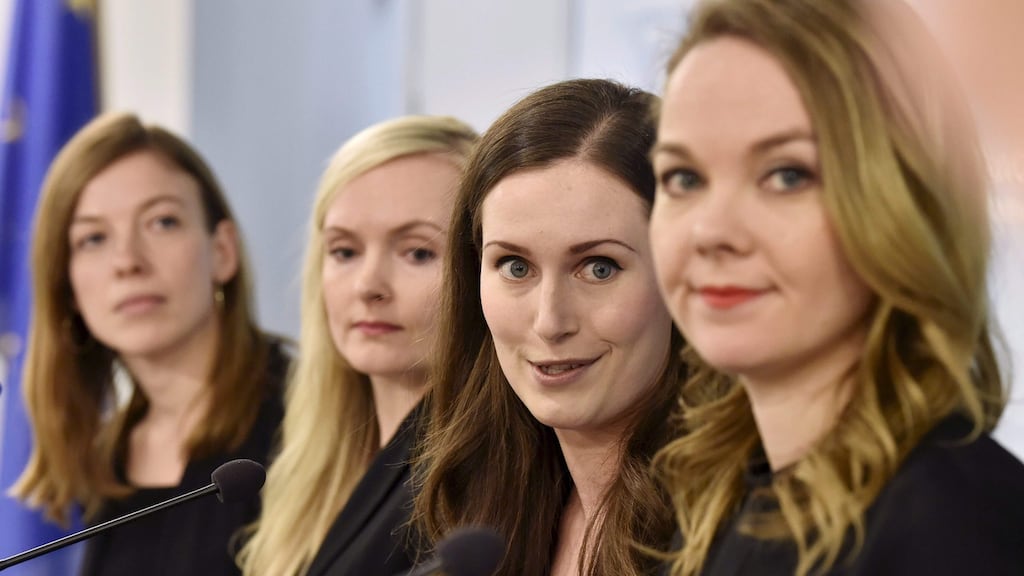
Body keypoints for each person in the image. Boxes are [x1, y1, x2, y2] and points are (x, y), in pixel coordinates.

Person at [648, 1, 1024, 574]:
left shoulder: (957, 523)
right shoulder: (717, 503)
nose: (711, 232)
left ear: (905, 201)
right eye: (684, 178)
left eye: (787, 175)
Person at [413, 78, 686, 576]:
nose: (549, 321)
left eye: (599, 267)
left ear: (682, 273)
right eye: (516, 267)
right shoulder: (490, 512)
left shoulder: (737, 532)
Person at [12, 112, 289, 576]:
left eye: (161, 222)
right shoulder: (106, 456)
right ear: (68, 285)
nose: (127, 261)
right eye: (94, 238)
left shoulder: (312, 419)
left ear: (222, 251)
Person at [238, 115, 477, 576]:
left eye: (418, 252)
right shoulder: (311, 462)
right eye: (345, 251)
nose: (368, 286)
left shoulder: (480, 477)